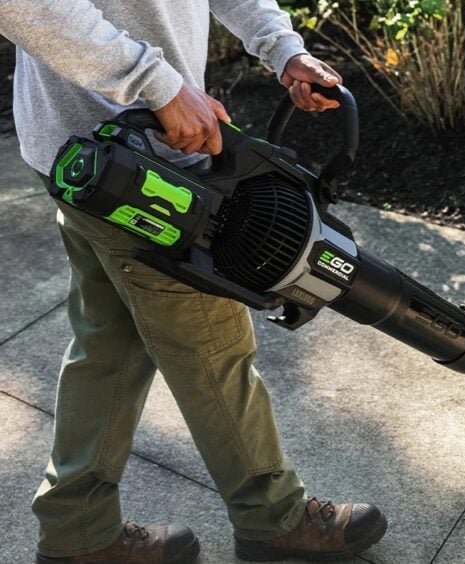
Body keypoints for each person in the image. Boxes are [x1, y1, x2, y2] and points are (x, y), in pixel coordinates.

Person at [0, 1, 388, 562]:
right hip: (133, 162)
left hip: (93, 147)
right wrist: (157, 84)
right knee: (213, 349)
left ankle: (77, 531)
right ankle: (274, 518)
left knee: (110, 343)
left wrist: (281, 46)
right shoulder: (146, 97)